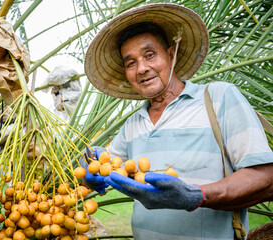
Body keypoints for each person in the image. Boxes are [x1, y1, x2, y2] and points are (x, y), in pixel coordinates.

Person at [83, 3, 273, 240]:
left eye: (150, 55)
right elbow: (104, 167)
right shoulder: (132, 125)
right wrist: (89, 170)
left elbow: (266, 178)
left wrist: (197, 195)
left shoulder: (218, 99)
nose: (142, 68)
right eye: (131, 63)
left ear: (171, 54)